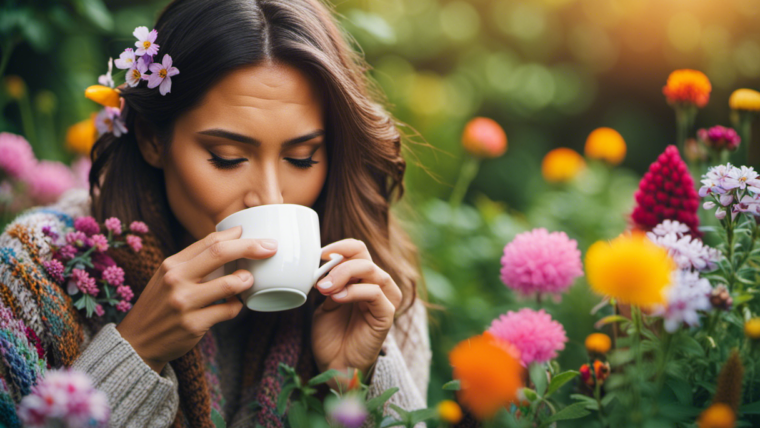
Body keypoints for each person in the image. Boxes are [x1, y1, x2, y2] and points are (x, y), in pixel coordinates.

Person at [0, 0, 433, 426]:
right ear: (154, 140)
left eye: (302, 158)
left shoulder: (370, 294)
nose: (270, 198)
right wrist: (137, 351)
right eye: (227, 157)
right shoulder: (36, 271)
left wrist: (353, 383)